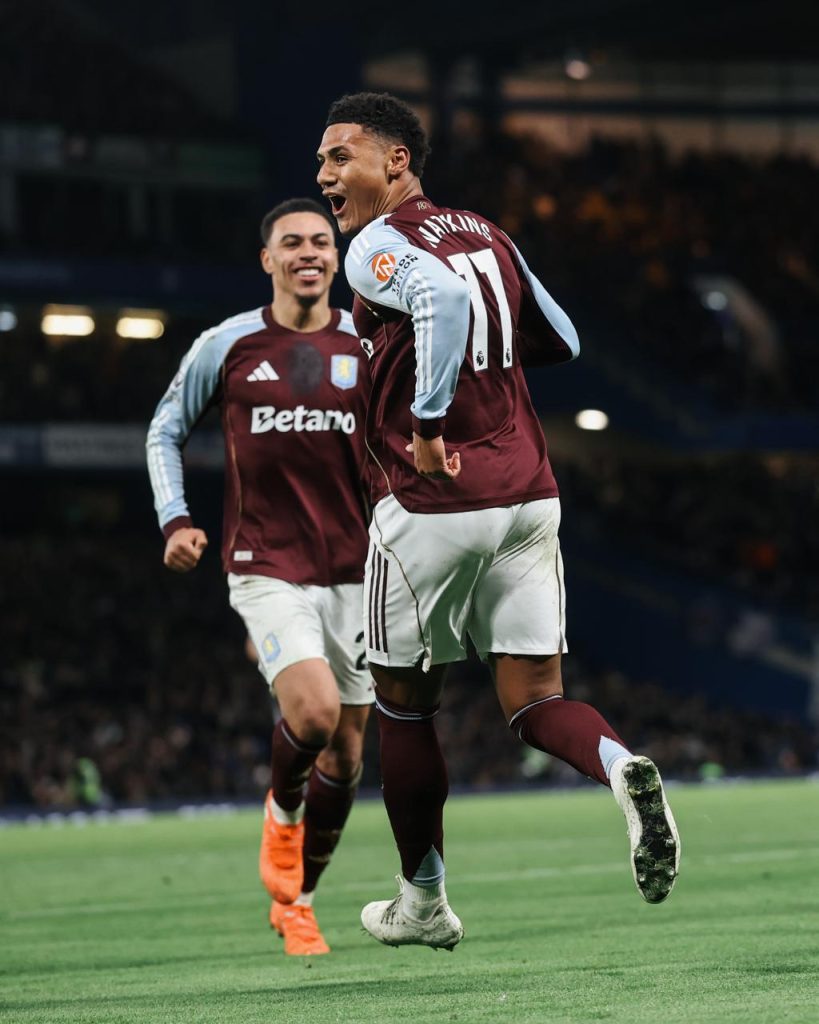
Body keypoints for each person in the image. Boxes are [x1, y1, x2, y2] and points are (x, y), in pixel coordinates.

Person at [316, 93, 680, 950]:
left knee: (404, 709)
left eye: (342, 156)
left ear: (396, 162)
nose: (325, 175)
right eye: (322, 161)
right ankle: (619, 767)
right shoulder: (487, 231)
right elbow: (563, 338)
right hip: (527, 491)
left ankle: (424, 903)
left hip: (431, 501)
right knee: (535, 699)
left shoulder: (373, 244)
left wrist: (433, 423)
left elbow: (438, 302)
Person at [146, 197, 373, 956]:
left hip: (360, 569)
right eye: (291, 243)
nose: (308, 251)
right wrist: (176, 518)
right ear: (267, 259)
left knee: (346, 755)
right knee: (311, 718)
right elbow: (164, 429)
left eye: (320, 240)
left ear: (335, 258)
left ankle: (299, 902)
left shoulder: (370, 344)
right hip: (267, 563)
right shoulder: (231, 343)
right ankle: (282, 817)